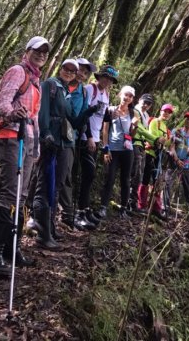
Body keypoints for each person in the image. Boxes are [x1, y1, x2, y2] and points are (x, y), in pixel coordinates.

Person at [0, 35, 50, 277]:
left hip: (29, 139)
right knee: (10, 194)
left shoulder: (36, 80)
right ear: (28, 50)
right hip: (11, 136)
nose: (41, 55)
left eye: (45, 52)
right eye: (38, 50)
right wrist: (12, 113)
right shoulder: (17, 71)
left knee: (21, 196)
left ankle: (12, 249)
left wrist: (38, 147)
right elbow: (3, 103)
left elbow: (36, 117)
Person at [33, 58, 79, 250]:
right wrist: (45, 134)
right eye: (66, 68)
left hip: (62, 142)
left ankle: (49, 228)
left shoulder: (65, 90)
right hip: (50, 142)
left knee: (55, 184)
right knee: (44, 185)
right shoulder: (50, 85)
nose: (68, 72)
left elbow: (70, 117)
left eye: (72, 71)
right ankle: (42, 233)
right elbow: (42, 112)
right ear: (60, 69)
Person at [59, 57, 98, 231]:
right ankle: (34, 211)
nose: (82, 74)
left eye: (86, 72)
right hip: (53, 135)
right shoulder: (59, 84)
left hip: (71, 137)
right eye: (81, 69)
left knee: (66, 174)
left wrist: (86, 122)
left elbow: (80, 117)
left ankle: (67, 215)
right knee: (48, 174)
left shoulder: (84, 92)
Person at [77, 65, 119, 222]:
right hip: (84, 138)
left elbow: (102, 117)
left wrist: (111, 116)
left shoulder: (106, 95)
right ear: (99, 76)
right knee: (87, 174)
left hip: (95, 139)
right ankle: (79, 211)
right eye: (105, 77)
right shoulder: (90, 89)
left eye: (110, 79)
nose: (107, 81)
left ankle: (85, 210)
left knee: (89, 176)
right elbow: (84, 113)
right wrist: (88, 136)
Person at [96, 86, 136, 218]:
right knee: (110, 178)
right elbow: (105, 130)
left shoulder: (132, 113)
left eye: (130, 96)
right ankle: (103, 208)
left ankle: (123, 209)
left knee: (126, 180)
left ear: (132, 99)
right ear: (120, 95)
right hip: (113, 149)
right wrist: (106, 149)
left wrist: (135, 126)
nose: (127, 98)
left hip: (127, 150)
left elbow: (132, 134)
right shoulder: (111, 109)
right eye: (126, 95)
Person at [137, 103, 174, 219]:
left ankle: (156, 208)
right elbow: (153, 136)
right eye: (165, 111)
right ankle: (141, 205)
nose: (166, 114)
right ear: (161, 111)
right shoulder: (154, 122)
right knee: (145, 179)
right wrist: (160, 141)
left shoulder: (166, 129)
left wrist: (170, 140)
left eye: (169, 113)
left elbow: (166, 143)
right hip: (150, 154)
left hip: (159, 156)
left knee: (157, 182)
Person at [129, 93, 155, 212]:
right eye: (145, 102)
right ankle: (130, 202)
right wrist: (155, 139)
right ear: (139, 100)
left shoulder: (146, 114)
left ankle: (133, 202)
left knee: (138, 174)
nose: (146, 105)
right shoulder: (135, 111)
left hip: (142, 146)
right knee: (135, 173)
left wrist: (153, 142)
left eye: (148, 104)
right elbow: (140, 129)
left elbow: (145, 132)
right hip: (133, 143)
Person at [169, 111, 189, 210]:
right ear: (184, 120)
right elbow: (171, 147)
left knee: (187, 187)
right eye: (187, 119)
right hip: (174, 161)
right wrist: (177, 160)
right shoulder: (176, 131)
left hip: (186, 164)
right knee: (167, 184)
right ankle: (164, 206)